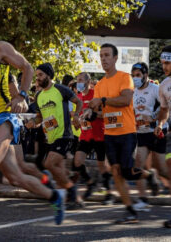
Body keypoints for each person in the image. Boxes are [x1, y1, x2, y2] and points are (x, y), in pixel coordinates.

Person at [0, 9, 65, 241]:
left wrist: (22, 96)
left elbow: (26, 67)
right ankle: (54, 196)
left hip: (4, 118)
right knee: (14, 177)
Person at [88, 43, 156, 224]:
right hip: (110, 134)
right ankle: (130, 211)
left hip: (127, 132)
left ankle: (149, 176)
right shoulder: (100, 85)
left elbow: (125, 101)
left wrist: (102, 100)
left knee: (127, 171)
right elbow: (104, 112)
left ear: (115, 58)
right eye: (101, 56)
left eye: (107, 55)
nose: (103, 59)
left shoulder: (125, 78)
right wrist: (91, 114)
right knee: (116, 171)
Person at [26, 63, 83, 210]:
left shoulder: (60, 89)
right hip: (50, 137)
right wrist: (33, 122)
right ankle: (74, 196)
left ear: (48, 75)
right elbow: (39, 118)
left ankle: (71, 190)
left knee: (49, 164)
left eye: (40, 75)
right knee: (58, 168)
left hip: (64, 135)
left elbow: (79, 102)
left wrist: (76, 115)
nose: (37, 79)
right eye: (36, 75)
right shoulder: (38, 96)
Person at [73, 72, 113, 205]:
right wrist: (77, 121)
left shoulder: (96, 94)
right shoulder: (78, 97)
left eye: (80, 80)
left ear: (88, 82)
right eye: (77, 80)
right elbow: (79, 116)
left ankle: (109, 193)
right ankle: (90, 182)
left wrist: (94, 115)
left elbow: (107, 114)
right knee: (77, 162)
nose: (78, 82)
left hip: (99, 134)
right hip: (85, 135)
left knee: (102, 165)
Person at [131, 62, 165, 211]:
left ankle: (154, 177)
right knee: (137, 166)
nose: (135, 79)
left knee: (162, 169)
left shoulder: (155, 89)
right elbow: (132, 112)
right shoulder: (133, 92)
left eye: (138, 75)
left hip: (157, 132)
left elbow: (165, 108)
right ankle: (143, 199)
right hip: (142, 133)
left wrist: (151, 117)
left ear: (145, 75)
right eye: (133, 76)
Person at [155, 45, 171, 228]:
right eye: (163, 63)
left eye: (168, 63)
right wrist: (160, 124)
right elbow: (164, 110)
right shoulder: (164, 85)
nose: (164, 67)